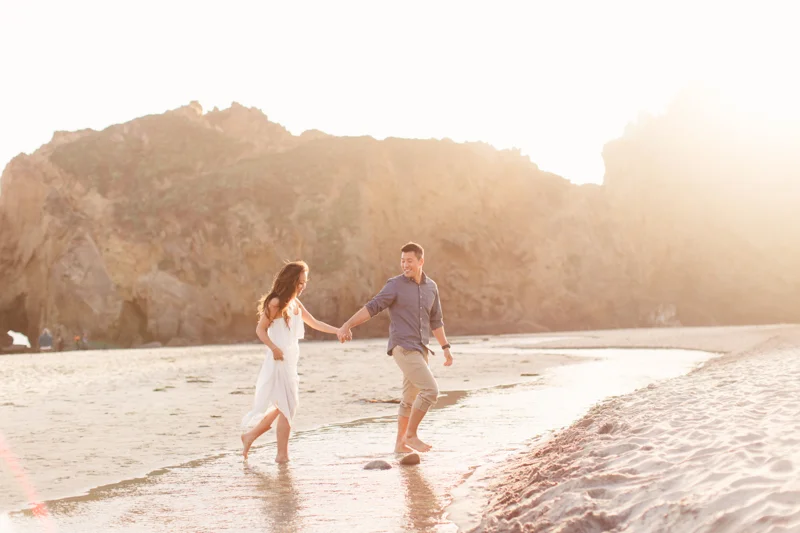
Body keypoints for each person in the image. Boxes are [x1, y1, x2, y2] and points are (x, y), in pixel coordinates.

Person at [338, 242, 454, 453]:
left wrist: (445, 347)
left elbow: (436, 320)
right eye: (402, 261)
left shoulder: (431, 287)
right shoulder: (394, 285)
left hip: (421, 349)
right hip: (403, 347)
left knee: (409, 399)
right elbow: (372, 307)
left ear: (421, 261)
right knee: (430, 391)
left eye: (409, 261)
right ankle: (410, 435)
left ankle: (400, 445)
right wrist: (347, 325)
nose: (405, 265)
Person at [241, 261, 340, 463]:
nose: (302, 286)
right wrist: (274, 348)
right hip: (278, 359)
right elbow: (260, 330)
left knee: (284, 405)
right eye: (300, 282)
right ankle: (282, 456)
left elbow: (315, 323)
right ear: (291, 280)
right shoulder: (276, 302)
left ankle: (250, 436)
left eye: (304, 282)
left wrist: (338, 331)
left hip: (291, 358)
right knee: (288, 406)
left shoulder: (295, 303)